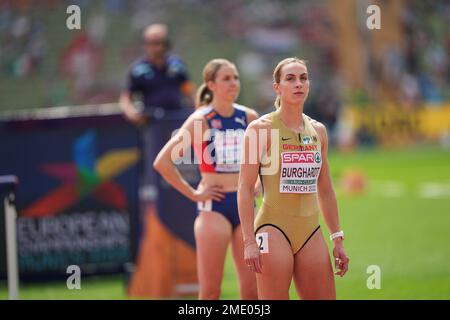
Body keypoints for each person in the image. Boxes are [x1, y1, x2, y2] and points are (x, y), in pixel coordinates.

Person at [237, 57, 349, 300]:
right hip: (273, 227)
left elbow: (326, 189)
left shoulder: (318, 130)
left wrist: (337, 238)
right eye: (290, 79)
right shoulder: (260, 129)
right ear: (277, 87)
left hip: (310, 229)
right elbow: (245, 188)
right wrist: (248, 242)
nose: (298, 84)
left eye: (303, 78)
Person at [153, 59, 259, 300]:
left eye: (236, 77)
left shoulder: (249, 117)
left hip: (246, 208)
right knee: (211, 291)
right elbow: (163, 162)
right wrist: (194, 194)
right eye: (226, 79)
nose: (233, 83)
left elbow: (265, 158)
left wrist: (260, 181)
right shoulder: (201, 120)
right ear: (211, 85)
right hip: (215, 208)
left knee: (252, 291)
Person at [119, 23, 194, 125]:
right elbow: (126, 98)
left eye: (159, 42)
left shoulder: (177, 65)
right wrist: (132, 113)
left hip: (178, 119)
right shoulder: (138, 69)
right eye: (151, 43)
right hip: (153, 124)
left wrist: (198, 107)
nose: (156, 47)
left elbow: (189, 90)